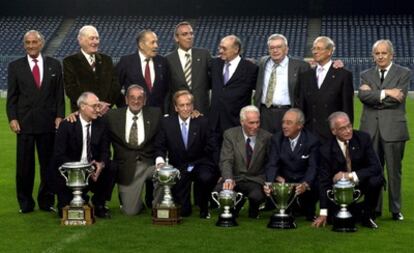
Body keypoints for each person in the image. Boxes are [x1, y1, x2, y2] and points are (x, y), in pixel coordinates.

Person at [6, 30, 65, 213]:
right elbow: (12, 97)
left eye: (34, 42)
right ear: (24, 45)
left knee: (48, 165)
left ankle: (46, 202)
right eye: (28, 43)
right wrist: (13, 118)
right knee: (24, 167)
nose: (31, 45)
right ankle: (25, 203)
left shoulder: (54, 65)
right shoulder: (15, 66)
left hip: (48, 123)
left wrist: (59, 116)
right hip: (24, 123)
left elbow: (58, 95)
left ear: (41, 43)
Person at [358, 39, 410, 221]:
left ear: (391, 55)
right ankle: (374, 207)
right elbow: (363, 97)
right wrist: (387, 93)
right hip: (370, 129)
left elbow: (399, 99)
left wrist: (374, 95)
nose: (380, 56)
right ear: (373, 56)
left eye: (384, 53)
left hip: (394, 129)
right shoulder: (365, 74)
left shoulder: (404, 73)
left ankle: (395, 209)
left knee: (394, 171)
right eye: (377, 53)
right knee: (373, 170)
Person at [154, 90, 219, 218]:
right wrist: (160, 161)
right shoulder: (167, 123)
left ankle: (204, 205)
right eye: (182, 105)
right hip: (179, 166)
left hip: (200, 164)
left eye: (188, 104)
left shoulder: (202, 122)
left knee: (206, 177)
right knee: (183, 212)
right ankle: (185, 204)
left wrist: (217, 168)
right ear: (175, 107)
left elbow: (212, 146)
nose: (185, 108)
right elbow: (159, 146)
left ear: (192, 106)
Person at [313, 112, 383, 229]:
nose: (348, 130)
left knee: (376, 179)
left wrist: (349, 175)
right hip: (337, 191)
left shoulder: (363, 138)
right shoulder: (325, 149)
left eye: (349, 126)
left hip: (360, 183)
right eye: (342, 128)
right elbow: (323, 182)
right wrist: (323, 213)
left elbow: (376, 167)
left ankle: (368, 215)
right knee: (334, 219)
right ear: (334, 131)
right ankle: (356, 212)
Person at [51, 92, 113, 218]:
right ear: (83, 107)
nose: (97, 109)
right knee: (64, 212)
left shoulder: (102, 124)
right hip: (71, 171)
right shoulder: (66, 125)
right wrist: (78, 168)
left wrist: (101, 164)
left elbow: (106, 151)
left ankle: (99, 203)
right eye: (94, 106)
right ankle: (77, 197)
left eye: (98, 106)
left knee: (112, 167)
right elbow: (59, 155)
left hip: (93, 169)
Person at [105, 85, 162, 215]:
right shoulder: (112, 116)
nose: (136, 101)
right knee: (130, 211)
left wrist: (193, 112)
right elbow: (92, 117)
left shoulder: (155, 114)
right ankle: (137, 203)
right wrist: (76, 113)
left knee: (166, 174)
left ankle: (158, 208)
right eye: (132, 97)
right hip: (127, 167)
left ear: (145, 100)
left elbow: (173, 120)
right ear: (126, 99)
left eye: (140, 98)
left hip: (149, 165)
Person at [264, 108, 320, 220]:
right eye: (283, 122)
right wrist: (270, 182)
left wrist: (305, 184)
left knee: (316, 183)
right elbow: (272, 164)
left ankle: (308, 208)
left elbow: (313, 167)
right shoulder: (276, 139)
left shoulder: (312, 141)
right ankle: (285, 206)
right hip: (285, 181)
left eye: (289, 123)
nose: (284, 126)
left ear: (300, 125)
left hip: (304, 182)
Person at [217, 105, 271, 218]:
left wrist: (269, 181)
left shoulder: (267, 137)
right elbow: (226, 160)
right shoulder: (230, 135)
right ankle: (234, 205)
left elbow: (270, 163)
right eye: (251, 123)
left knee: (256, 197)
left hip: (255, 179)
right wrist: (227, 178)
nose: (255, 126)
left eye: (257, 122)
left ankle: (254, 209)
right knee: (218, 191)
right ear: (242, 122)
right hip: (235, 178)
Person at [297, 36, 354, 143]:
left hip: (332, 134)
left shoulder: (343, 75)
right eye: (313, 49)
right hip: (309, 133)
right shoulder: (305, 76)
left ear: (329, 51)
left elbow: (347, 109)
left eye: (319, 48)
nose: (315, 51)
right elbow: (301, 106)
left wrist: (346, 132)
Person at [254, 34, 311, 134]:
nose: (275, 50)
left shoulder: (301, 66)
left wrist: (335, 63)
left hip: (288, 113)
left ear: (286, 49)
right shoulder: (262, 62)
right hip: (264, 113)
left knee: (285, 145)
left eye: (279, 47)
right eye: (272, 48)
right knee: (265, 146)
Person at [63, 25, 121, 112]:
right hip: (82, 113)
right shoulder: (70, 61)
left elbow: (115, 85)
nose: (95, 41)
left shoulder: (107, 60)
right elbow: (70, 89)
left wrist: (106, 104)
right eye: (92, 38)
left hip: (105, 112)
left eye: (97, 38)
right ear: (81, 40)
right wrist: (92, 106)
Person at [209, 35, 258, 137]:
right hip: (214, 125)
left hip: (236, 125)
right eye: (220, 47)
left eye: (224, 48)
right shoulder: (214, 64)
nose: (220, 51)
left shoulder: (251, 69)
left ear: (236, 49)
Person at [117, 29, 170, 113]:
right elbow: (116, 88)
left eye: (156, 42)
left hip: (158, 115)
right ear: (141, 45)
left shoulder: (163, 62)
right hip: (134, 113)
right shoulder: (126, 62)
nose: (156, 46)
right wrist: (124, 105)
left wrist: (166, 111)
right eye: (152, 42)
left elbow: (168, 90)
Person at [165, 21, 212, 115]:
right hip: (178, 113)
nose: (189, 37)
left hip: (202, 112)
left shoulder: (204, 55)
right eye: (185, 34)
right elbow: (167, 91)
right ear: (176, 38)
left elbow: (213, 82)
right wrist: (166, 113)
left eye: (191, 33)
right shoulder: (168, 59)